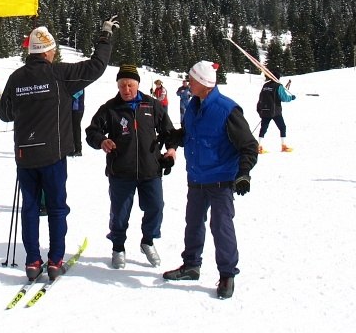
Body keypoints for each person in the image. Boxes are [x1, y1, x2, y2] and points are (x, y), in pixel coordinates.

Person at [0, 17, 118, 281]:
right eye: (52, 49)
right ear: (48, 51)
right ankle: (55, 261)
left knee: (30, 208)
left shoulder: (16, 77)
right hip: (53, 154)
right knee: (56, 208)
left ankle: (32, 262)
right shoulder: (59, 74)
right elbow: (96, 67)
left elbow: (5, 114)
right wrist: (105, 36)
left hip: (25, 154)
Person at [163, 61, 259, 300]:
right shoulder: (193, 106)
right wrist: (172, 140)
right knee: (193, 223)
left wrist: (243, 173)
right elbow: (190, 134)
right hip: (196, 178)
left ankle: (227, 275)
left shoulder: (227, 109)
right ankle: (191, 265)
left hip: (221, 180)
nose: (188, 82)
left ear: (204, 83)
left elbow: (249, 146)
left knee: (221, 226)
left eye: (192, 79)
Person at [85, 63, 178, 270]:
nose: (126, 90)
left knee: (156, 207)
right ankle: (118, 247)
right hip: (121, 171)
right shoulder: (110, 108)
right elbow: (91, 131)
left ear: (137, 84)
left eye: (130, 85)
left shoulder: (151, 105)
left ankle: (148, 241)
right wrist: (101, 141)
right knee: (119, 213)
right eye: (122, 86)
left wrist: (171, 150)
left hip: (150, 169)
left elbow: (169, 132)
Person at [256, 68, 296, 153]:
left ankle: (259, 146)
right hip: (275, 111)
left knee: (263, 128)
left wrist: (259, 109)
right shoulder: (278, 86)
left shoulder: (265, 85)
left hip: (265, 110)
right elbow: (284, 98)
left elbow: (260, 97)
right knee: (282, 127)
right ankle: (283, 146)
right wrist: (291, 98)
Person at [70, 89, 85, 157]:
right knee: (72, 129)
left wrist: (68, 96)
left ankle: (78, 149)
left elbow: (78, 94)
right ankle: (73, 148)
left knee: (76, 129)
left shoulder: (79, 85)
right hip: (74, 109)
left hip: (78, 109)